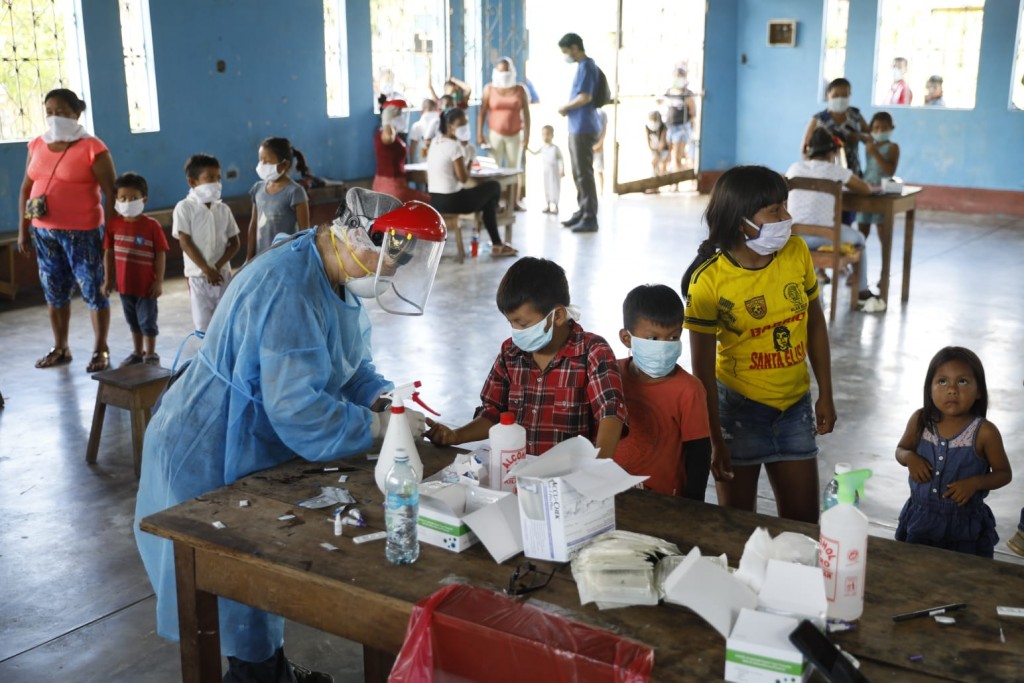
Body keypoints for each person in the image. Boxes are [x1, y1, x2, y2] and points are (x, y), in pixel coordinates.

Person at [135, 188, 444, 683]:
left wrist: (384, 400)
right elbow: (299, 410)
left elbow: (349, 362)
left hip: (250, 436)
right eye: (386, 259)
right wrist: (378, 427)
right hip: (208, 442)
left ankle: (269, 670)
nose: (387, 272)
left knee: (257, 587)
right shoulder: (289, 286)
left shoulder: (333, 270)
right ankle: (258, 675)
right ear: (354, 238)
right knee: (236, 583)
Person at [681, 166, 836, 523]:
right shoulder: (709, 281)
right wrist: (715, 439)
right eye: (774, 210)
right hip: (737, 413)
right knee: (737, 529)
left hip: (795, 409)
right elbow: (701, 368)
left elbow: (815, 322)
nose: (787, 217)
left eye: (785, 206)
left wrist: (825, 390)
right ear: (740, 220)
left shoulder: (796, 252)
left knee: (802, 528)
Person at [425, 257, 628, 460]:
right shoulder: (510, 353)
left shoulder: (592, 351)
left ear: (557, 316)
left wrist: (597, 467)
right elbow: (492, 413)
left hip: (569, 477)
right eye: (510, 323)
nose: (516, 331)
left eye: (522, 324)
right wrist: (456, 435)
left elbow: (609, 412)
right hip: (516, 471)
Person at [17, 88, 116, 372]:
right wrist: (24, 229)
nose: (54, 117)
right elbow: (26, 188)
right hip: (44, 233)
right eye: (49, 111)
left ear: (76, 114)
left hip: (83, 233)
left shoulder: (93, 147)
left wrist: (108, 233)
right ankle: (60, 346)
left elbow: (110, 190)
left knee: (94, 290)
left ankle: (101, 349)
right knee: (54, 291)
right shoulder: (36, 144)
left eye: (61, 111)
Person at [895, 347, 1011, 558]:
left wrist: (976, 483)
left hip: (964, 526)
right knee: (915, 573)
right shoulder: (920, 421)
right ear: (929, 388)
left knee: (963, 581)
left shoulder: (984, 432)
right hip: (920, 518)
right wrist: (910, 458)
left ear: (979, 391)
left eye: (963, 381)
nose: (952, 389)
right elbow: (901, 450)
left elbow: (1004, 473)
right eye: (942, 381)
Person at [614, 284, 711, 500]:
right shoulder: (610, 375)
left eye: (673, 337)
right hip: (610, 493)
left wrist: (694, 504)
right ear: (626, 338)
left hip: (666, 500)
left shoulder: (689, 390)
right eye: (653, 339)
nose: (664, 346)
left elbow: (699, 453)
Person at [785, 128, 880, 307]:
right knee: (859, 239)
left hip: (794, 237)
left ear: (808, 150)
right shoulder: (835, 171)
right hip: (826, 237)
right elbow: (865, 189)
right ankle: (861, 292)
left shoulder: (794, 168)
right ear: (833, 151)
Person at [427, 107, 517, 257]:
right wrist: (469, 157)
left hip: (436, 200)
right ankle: (495, 222)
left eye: (466, 123)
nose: (465, 127)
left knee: (488, 201)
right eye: (461, 125)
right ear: (450, 127)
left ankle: (497, 243)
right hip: (453, 201)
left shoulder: (435, 143)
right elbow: (463, 178)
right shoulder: (454, 146)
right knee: (494, 186)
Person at [101, 172, 168, 367]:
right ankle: (138, 352)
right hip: (124, 286)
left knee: (147, 321)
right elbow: (108, 253)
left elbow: (161, 254)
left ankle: (151, 353)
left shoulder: (152, 226)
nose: (127, 202)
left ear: (144, 199)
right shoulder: (113, 225)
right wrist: (108, 279)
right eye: (122, 198)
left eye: (133, 198)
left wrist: (158, 281)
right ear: (116, 199)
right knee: (133, 321)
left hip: (146, 287)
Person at [173, 154, 241, 333]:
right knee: (204, 324)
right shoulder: (184, 208)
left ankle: (226, 359)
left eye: (218, 178)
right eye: (210, 178)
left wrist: (217, 267)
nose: (217, 182)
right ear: (193, 182)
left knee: (227, 320)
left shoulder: (223, 209)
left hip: (222, 274)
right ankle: (208, 358)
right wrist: (206, 269)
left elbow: (235, 243)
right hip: (197, 276)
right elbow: (185, 242)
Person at [557, 33, 602, 233]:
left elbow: (585, 97)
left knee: (585, 173)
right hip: (577, 126)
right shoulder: (582, 67)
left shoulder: (587, 66)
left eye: (566, 51)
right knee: (578, 173)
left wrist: (565, 107)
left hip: (584, 127)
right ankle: (582, 211)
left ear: (575, 47)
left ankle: (590, 216)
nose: (566, 56)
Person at [246, 137, 310, 260]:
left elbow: (304, 232)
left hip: (286, 258)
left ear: (285, 164)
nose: (262, 165)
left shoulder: (295, 192)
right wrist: (249, 257)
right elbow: (253, 224)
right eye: (260, 160)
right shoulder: (258, 189)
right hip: (262, 256)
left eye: (267, 161)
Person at [801, 78, 870, 179]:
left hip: (853, 172)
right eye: (836, 96)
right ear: (827, 95)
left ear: (850, 95)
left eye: (844, 95)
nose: (840, 99)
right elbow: (805, 149)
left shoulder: (856, 116)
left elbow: (872, 138)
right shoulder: (818, 120)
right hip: (825, 174)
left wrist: (859, 137)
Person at [371, 99, 430, 205]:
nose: (403, 117)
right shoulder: (384, 134)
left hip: (388, 185)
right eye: (400, 113)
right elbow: (388, 138)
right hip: (392, 188)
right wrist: (387, 121)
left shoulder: (392, 134)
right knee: (428, 201)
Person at [477, 57, 531, 170]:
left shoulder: (520, 89)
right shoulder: (489, 89)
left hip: (515, 135)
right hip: (495, 135)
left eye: (507, 71)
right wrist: (480, 134)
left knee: (513, 168)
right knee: (492, 168)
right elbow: (482, 113)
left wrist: (527, 136)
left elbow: (526, 114)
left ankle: (513, 188)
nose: (504, 74)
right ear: (496, 72)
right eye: (501, 71)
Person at [855, 112, 900, 238]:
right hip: (866, 188)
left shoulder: (893, 147)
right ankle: (860, 257)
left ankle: (885, 257)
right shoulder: (869, 145)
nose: (880, 131)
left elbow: (890, 170)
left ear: (891, 129)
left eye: (885, 128)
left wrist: (875, 153)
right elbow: (861, 135)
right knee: (862, 229)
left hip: (883, 190)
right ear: (871, 130)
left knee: (883, 229)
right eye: (876, 128)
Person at [663, 67, 697, 173]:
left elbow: (693, 113)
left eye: (681, 77)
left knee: (677, 155)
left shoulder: (687, 94)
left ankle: (676, 181)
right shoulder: (669, 92)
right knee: (667, 154)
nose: (678, 79)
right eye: (676, 77)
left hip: (681, 127)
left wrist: (693, 129)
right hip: (669, 127)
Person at [532, 124, 564, 214]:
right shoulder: (543, 148)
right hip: (546, 171)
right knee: (547, 187)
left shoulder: (555, 148)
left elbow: (560, 159)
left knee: (555, 187)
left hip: (554, 171)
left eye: (548, 134)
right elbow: (534, 153)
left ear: (552, 135)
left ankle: (556, 205)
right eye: (544, 134)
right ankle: (548, 204)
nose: (546, 136)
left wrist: (562, 169)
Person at [646, 110, 669, 183]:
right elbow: (648, 140)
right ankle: (655, 184)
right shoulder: (647, 126)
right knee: (654, 164)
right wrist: (652, 149)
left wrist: (658, 154)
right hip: (654, 149)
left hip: (664, 150)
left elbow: (663, 142)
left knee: (662, 168)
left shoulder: (663, 127)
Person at [592, 107, 608, 195]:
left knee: (599, 170)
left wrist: (599, 144)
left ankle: (601, 192)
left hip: (598, 145)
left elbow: (604, 130)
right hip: (589, 144)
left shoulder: (602, 113)